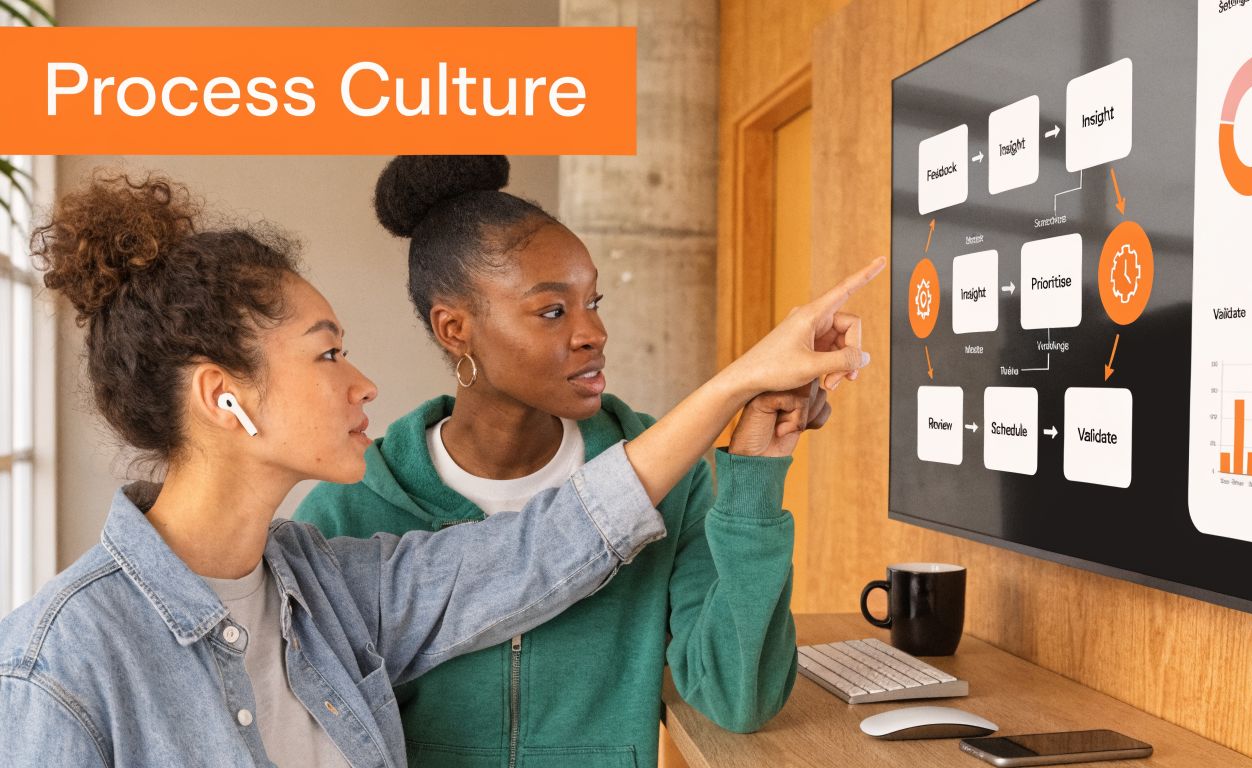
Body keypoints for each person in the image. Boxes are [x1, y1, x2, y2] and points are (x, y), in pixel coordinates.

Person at [0, 170, 882, 768]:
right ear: (225, 397)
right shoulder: (62, 662)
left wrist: (740, 397)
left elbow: (561, 540)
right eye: (328, 354)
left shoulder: (329, 589)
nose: (364, 380)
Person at [293, 155, 868, 768]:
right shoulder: (350, 507)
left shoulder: (665, 481)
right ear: (455, 328)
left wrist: (755, 474)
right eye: (552, 311)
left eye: (592, 301)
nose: (593, 331)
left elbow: (738, 698)